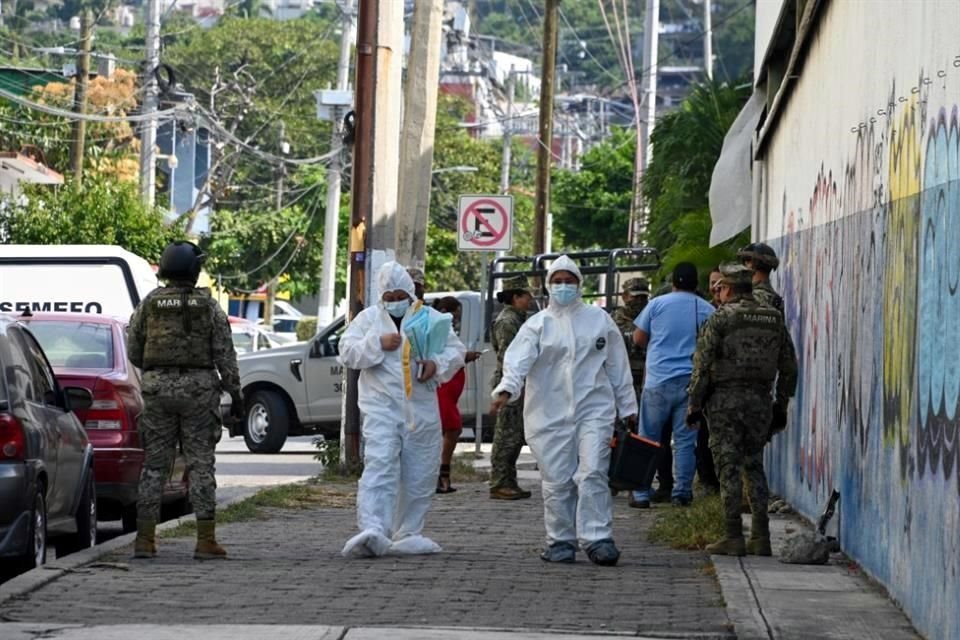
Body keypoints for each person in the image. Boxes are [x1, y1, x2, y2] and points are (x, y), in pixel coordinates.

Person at [491, 255, 638, 566]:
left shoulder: (599, 321)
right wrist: (507, 389)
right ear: (548, 286)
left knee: (594, 472)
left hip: (594, 410)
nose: (563, 287)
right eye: (557, 281)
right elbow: (517, 361)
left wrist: (627, 407)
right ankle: (560, 540)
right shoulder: (537, 325)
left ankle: (598, 537)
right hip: (548, 414)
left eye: (568, 281)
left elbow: (617, 366)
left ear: (579, 284)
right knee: (557, 479)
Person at [339, 262, 465, 557]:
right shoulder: (369, 320)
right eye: (389, 297)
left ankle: (408, 531)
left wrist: (436, 364)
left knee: (420, 469)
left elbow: (455, 351)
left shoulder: (430, 319)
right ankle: (373, 529)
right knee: (380, 464)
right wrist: (377, 343)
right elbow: (346, 352)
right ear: (381, 296)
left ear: (410, 293)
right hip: (381, 407)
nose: (395, 302)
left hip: (420, 408)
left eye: (400, 296)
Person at [127, 240, 243, 560]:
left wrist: (158, 372)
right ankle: (205, 541)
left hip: (157, 391)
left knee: (154, 466)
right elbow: (225, 355)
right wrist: (236, 393)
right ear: (194, 270)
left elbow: (134, 349)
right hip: (199, 391)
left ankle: (145, 540)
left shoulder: (149, 303)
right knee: (201, 464)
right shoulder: (208, 306)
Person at [687, 264, 798, 556]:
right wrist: (781, 405)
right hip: (761, 400)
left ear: (727, 288)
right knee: (754, 464)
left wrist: (694, 403)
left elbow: (701, 365)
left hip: (725, 401)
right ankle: (761, 536)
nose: (717, 294)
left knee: (728, 467)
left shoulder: (721, 318)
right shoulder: (773, 318)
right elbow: (789, 367)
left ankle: (733, 535)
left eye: (719, 288)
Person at [631, 262, 715, 508]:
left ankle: (642, 493)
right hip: (691, 384)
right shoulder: (707, 308)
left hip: (658, 381)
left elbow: (638, 338)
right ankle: (682, 493)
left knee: (648, 438)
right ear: (696, 284)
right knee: (686, 441)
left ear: (674, 283)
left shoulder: (656, 304)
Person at [489, 275, 535, 500]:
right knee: (506, 436)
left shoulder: (519, 319)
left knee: (515, 436)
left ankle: (508, 481)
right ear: (515, 297)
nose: (530, 299)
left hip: (517, 383)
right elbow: (510, 356)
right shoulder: (508, 322)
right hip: (509, 383)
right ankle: (499, 482)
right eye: (526, 295)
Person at [432, 296, 482, 494]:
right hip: (443, 385)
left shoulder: (447, 329)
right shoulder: (438, 327)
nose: (457, 320)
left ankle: (443, 472)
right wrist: (464, 356)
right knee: (451, 428)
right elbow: (443, 355)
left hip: (450, 386)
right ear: (445, 310)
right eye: (456, 315)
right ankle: (441, 472)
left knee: (451, 429)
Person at [611, 277, 650, 399]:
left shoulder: (653, 318)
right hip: (622, 378)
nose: (639, 301)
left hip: (648, 379)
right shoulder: (612, 321)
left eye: (643, 297)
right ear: (625, 296)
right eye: (635, 297)